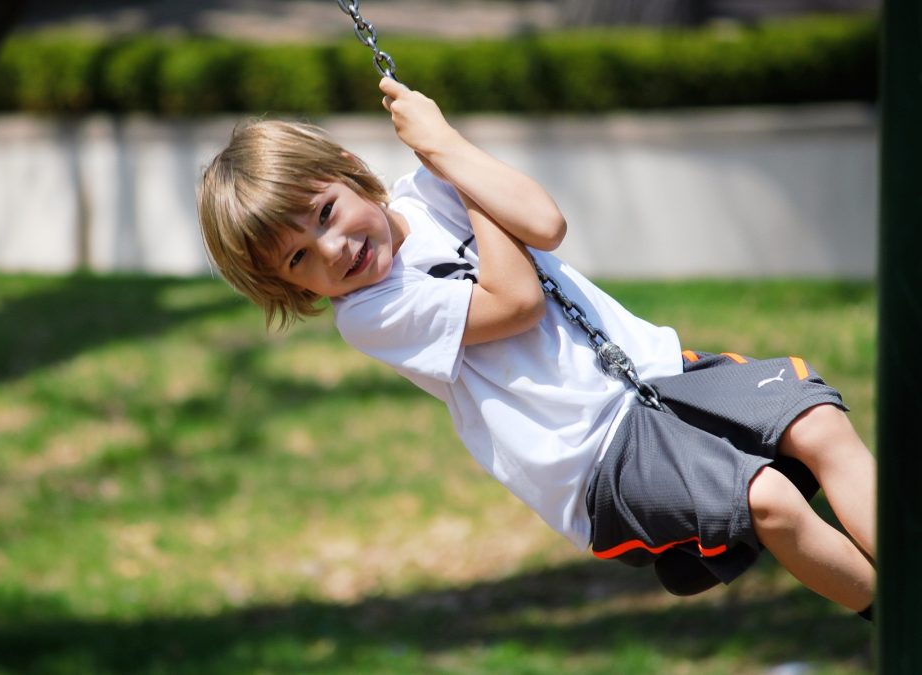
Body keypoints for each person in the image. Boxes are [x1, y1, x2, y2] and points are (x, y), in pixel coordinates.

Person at [197, 77, 876, 618]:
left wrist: (444, 145)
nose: (334, 249)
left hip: (660, 375)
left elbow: (545, 223)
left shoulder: (431, 185)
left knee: (818, 421)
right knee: (769, 500)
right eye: (300, 259)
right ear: (291, 287)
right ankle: (898, 622)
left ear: (348, 169)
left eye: (325, 213)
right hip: (593, 456)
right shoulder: (371, 311)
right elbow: (516, 303)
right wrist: (459, 173)